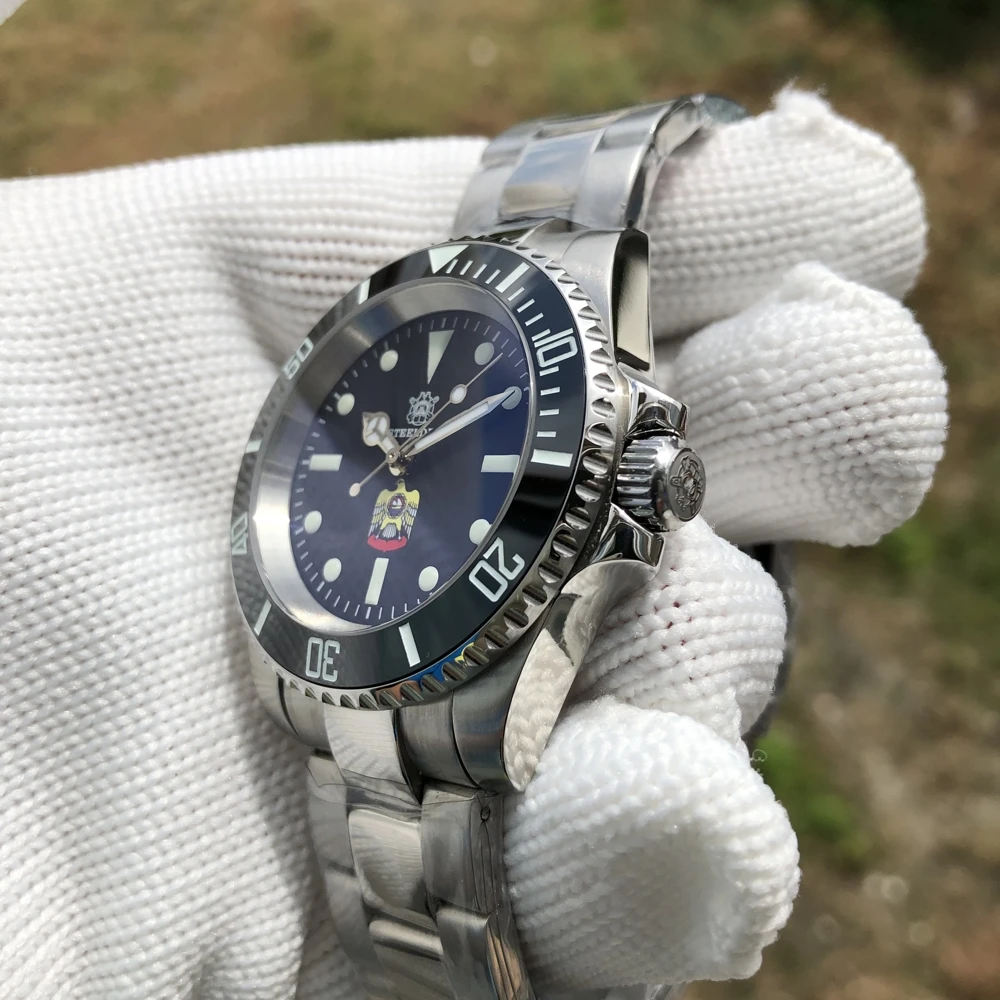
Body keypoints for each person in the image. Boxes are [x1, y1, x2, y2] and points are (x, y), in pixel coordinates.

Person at [0, 87, 947, 999]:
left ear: (649, 473)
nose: (393, 458)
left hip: (439, 641)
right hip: (373, 648)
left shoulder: (600, 437)